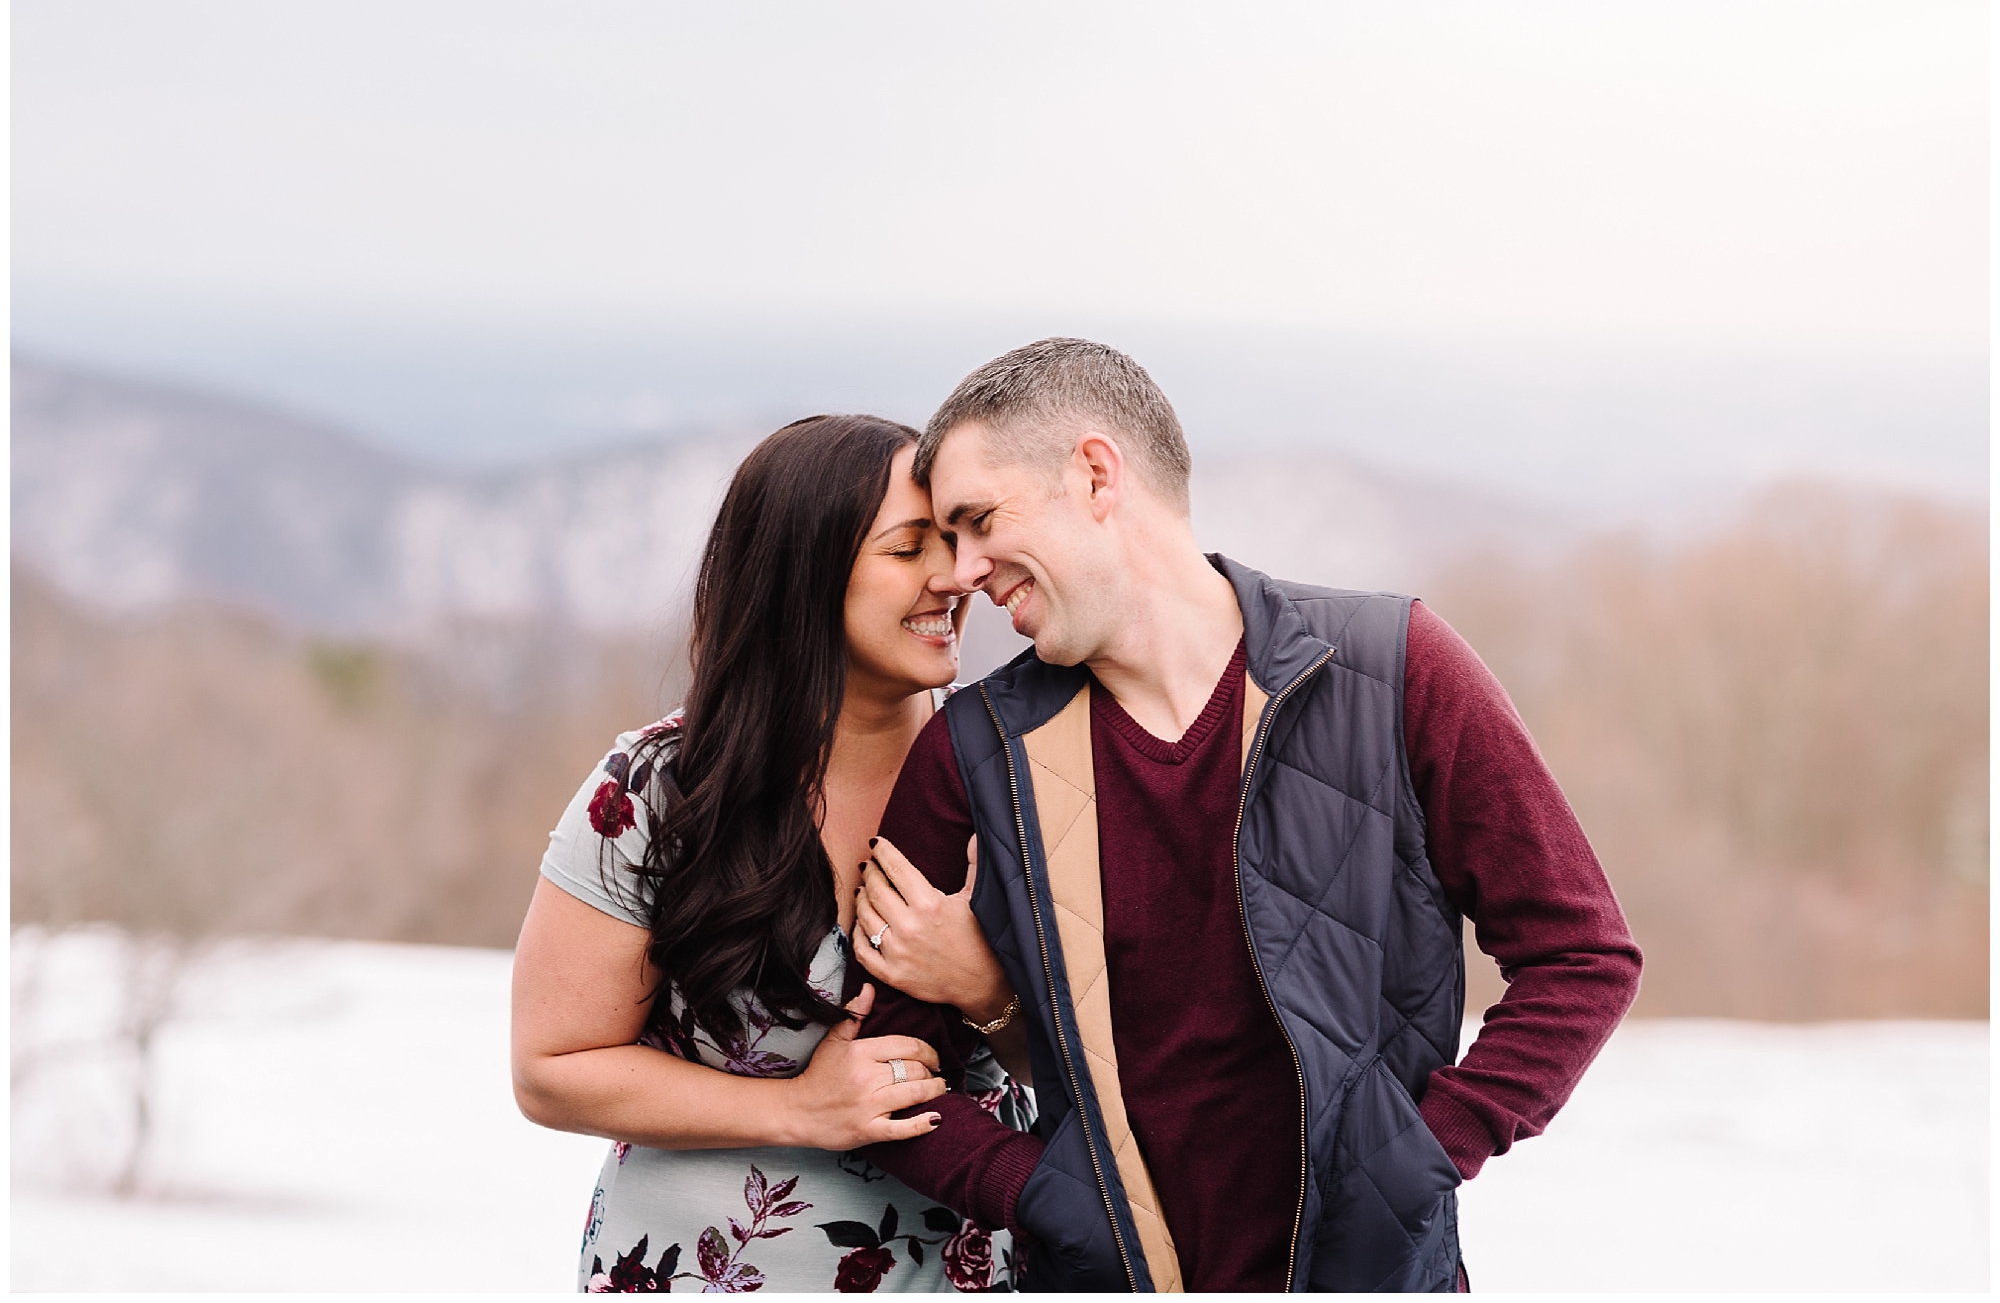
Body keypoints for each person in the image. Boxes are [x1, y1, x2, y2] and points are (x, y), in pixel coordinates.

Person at [851, 339, 1645, 1292]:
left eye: (979, 521)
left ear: (1096, 474)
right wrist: (1043, 1196)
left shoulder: (1395, 669)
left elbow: (1582, 955)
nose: (964, 570)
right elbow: (888, 1067)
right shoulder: (972, 751)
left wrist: (1417, 1162)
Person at [511, 414, 1034, 1293]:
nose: (955, 576)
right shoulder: (655, 788)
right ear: (806, 574)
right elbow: (552, 1069)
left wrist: (984, 990)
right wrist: (800, 1108)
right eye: (908, 549)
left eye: (953, 540)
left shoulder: (1020, 782)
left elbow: (1125, 1068)